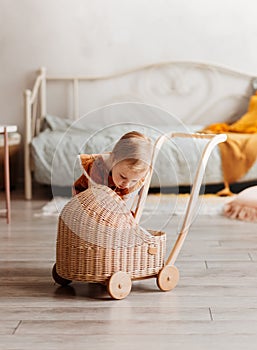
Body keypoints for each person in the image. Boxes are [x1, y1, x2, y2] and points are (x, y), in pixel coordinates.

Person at [73, 131, 153, 206]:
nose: (127, 184)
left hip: (111, 199)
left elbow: (125, 199)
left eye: (134, 180)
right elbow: (96, 199)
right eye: (123, 176)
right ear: (114, 159)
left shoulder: (134, 176)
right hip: (88, 199)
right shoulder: (98, 168)